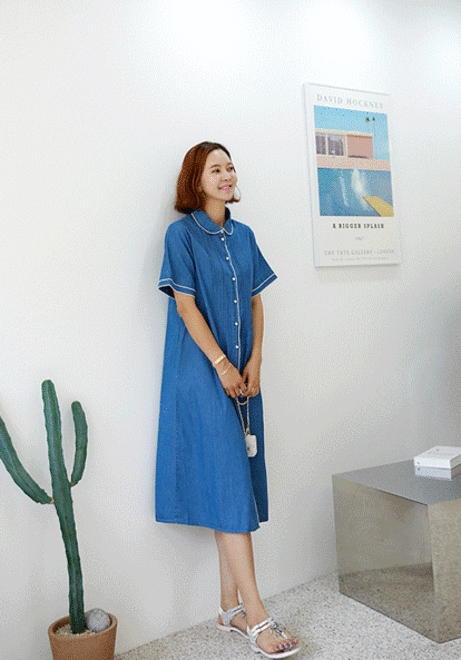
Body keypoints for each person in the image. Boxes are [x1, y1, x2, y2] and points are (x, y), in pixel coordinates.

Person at [156, 141, 299, 658]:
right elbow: (185, 307)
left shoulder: (245, 236)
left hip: (243, 374)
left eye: (231, 167)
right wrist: (220, 364)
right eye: (216, 168)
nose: (227, 174)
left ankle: (227, 609)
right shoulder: (181, 235)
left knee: (229, 486)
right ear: (196, 179)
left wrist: (255, 360)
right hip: (202, 375)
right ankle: (256, 615)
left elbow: (257, 303)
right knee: (232, 488)